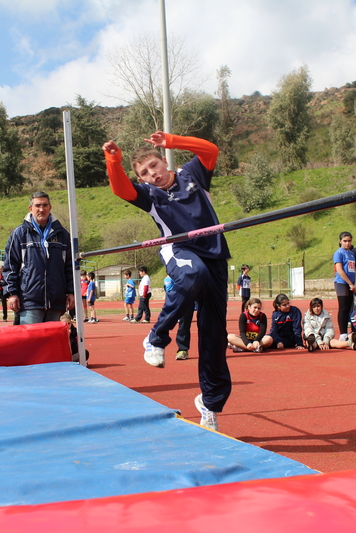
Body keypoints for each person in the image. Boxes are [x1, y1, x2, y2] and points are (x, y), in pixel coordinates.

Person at [103, 130, 230, 432]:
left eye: (154, 167)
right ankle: (157, 337)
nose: (152, 175)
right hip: (179, 248)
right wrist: (113, 160)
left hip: (214, 255)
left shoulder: (192, 173)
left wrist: (172, 140)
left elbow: (211, 149)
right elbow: (121, 189)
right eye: (144, 174)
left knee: (214, 335)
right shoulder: (149, 195)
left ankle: (210, 402)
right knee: (192, 272)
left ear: (164, 162)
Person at [3, 192, 74, 325]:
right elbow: (10, 266)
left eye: (45, 205)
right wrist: (12, 293)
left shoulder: (62, 234)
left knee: (51, 344)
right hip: (29, 300)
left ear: (50, 207)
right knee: (30, 343)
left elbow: (69, 266)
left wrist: (71, 292)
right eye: (38, 205)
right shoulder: (20, 233)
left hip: (55, 300)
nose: (41, 209)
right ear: (30, 208)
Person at [333, 231, 356, 341]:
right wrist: (350, 283)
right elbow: (339, 270)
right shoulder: (339, 253)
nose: (347, 243)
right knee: (343, 307)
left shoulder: (352, 254)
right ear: (340, 241)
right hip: (341, 283)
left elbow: (355, 269)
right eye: (345, 241)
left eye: (349, 241)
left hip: (352, 284)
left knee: (352, 308)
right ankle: (343, 333)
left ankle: (354, 331)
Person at [164, 274, 194, 360]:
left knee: (207, 320)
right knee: (184, 321)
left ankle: (210, 349)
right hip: (185, 292)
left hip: (202, 286)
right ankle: (183, 349)